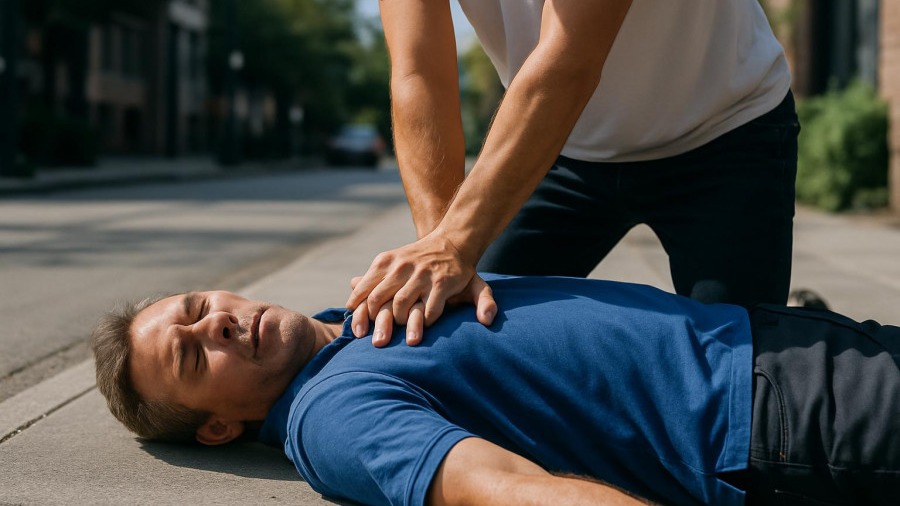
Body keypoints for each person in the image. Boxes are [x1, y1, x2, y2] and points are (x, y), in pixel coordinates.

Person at [93, 275, 900, 506]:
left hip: (776, 345)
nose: (220, 327)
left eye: (202, 310)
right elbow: (512, 493)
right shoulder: (327, 416)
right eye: (195, 358)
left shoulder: (362, 314)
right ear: (218, 430)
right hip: (772, 420)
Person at [346, 0, 800, 345]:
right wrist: (440, 250)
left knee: (739, 371)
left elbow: (571, 60)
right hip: (556, 148)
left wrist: (454, 244)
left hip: (722, 128)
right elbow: (420, 73)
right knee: (463, 333)